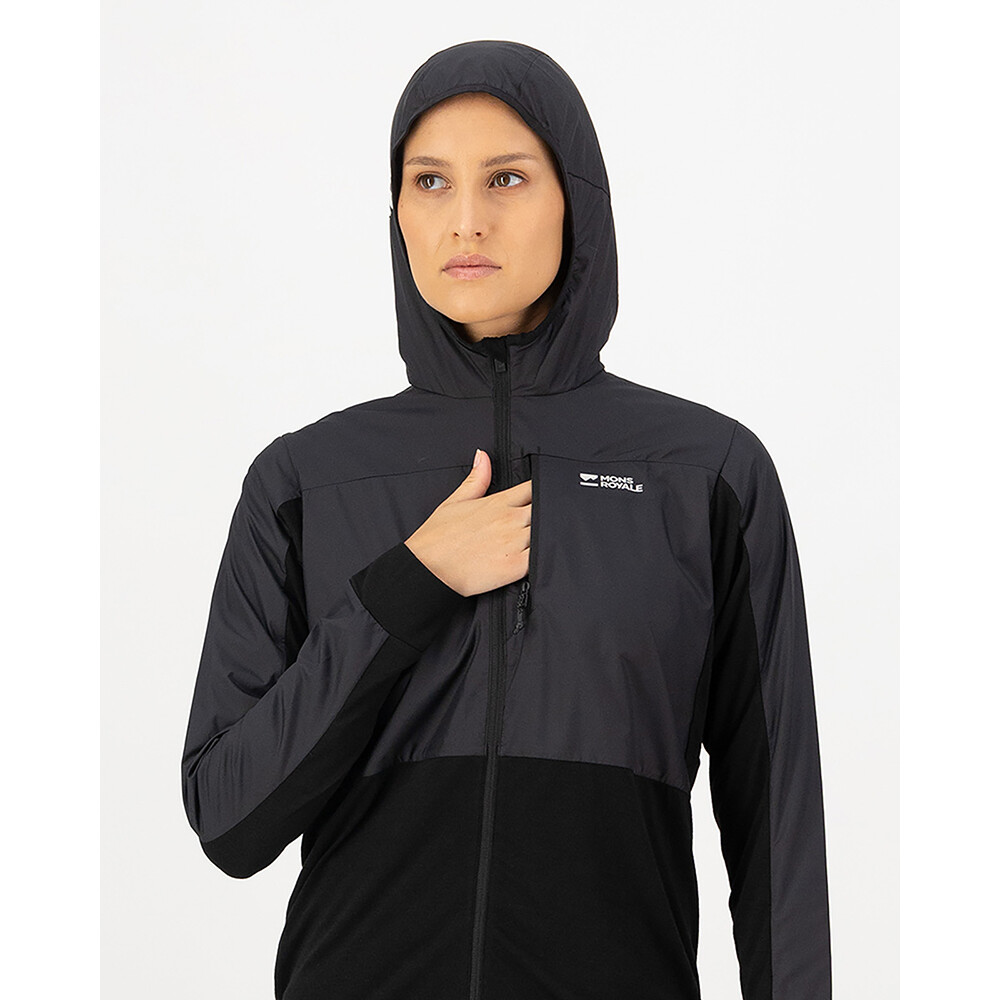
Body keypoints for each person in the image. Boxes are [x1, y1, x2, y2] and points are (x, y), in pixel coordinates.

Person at [180, 39, 832, 1000]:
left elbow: (777, 828)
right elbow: (229, 820)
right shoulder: (303, 483)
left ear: (578, 201)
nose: (466, 220)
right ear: (397, 214)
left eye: (508, 178)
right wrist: (411, 585)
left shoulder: (707, 475)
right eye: (431, 181)